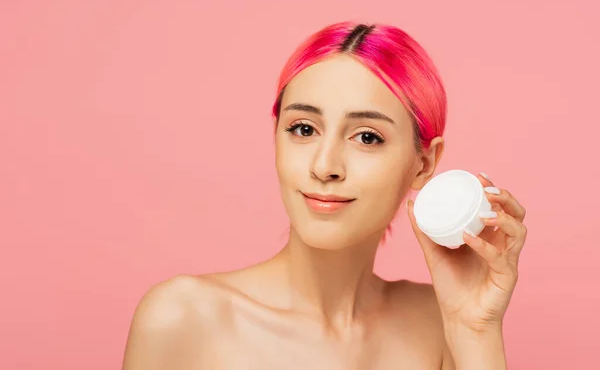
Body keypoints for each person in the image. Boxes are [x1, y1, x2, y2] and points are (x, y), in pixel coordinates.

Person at [122, 21, 527, 369]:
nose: (324, 165)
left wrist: (476, 331)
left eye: (367, 137)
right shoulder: (184, 317)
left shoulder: (442, 323)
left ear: (424, 163)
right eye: (303, 129)